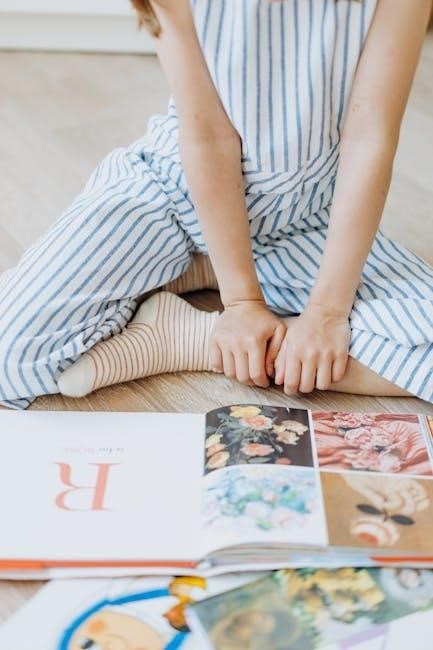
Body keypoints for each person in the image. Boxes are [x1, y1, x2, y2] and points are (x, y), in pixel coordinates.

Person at [1, 0, 432, 409]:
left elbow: (368, 138)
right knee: (9, 354)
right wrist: (242, 302)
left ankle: (189, 338)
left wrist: (326, 312)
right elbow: (208, 137)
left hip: (308, 216)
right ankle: (204, 270)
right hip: (173, 190)